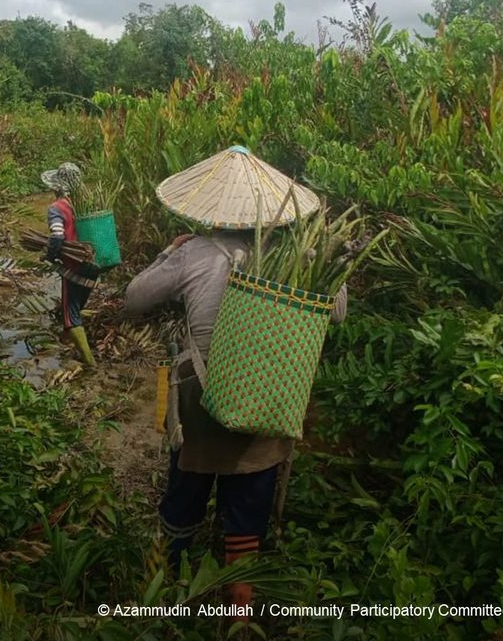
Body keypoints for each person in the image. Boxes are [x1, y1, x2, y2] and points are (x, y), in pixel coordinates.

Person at [123, 230, 347, 617]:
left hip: (203, 395)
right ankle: (239, 616)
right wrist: (326, 259)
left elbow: (135, 298)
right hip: (267, 395)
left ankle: (160, 598)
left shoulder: (195, 251)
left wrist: (168, 252)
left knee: (185, 492)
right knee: (249, 498)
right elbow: (338, 312)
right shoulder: (300, 250)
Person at [41, 163, 97, 367]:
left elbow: (57, 235)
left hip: (74, 265)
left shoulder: (57, 208)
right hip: (94, 263)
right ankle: (67, 336)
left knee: (71, 313)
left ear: (58, 186)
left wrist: (50, 255)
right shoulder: (88, 202)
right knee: (77, 302)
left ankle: (90, 363)